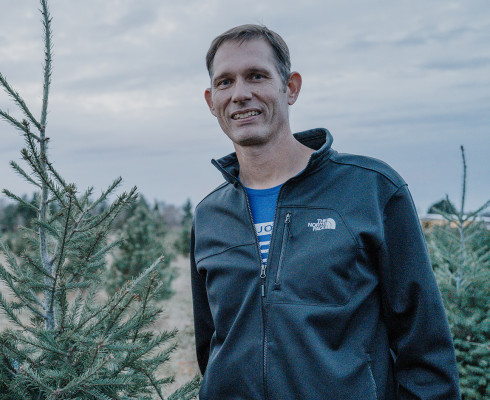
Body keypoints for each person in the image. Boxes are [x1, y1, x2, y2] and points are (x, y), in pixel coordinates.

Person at [190, 25, 460, 399]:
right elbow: (212, 345)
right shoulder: (209, 215)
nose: (240, 94)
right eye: (225, 82)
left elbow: (425, 348)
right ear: (210, 100)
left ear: (291, 87)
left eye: (256, 76)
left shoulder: (370, 189)